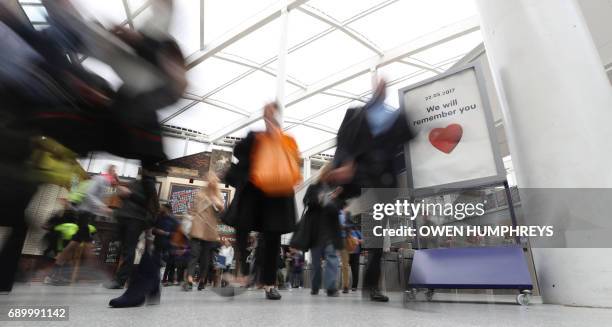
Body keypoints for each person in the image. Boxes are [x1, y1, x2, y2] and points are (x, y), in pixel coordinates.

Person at [325, 79, 415, 302]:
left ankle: (371, 286)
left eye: (385, 87)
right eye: (377, 87)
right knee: (342, 207)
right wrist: (343, 164)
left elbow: (410, 135)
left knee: (376, 234)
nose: (382, 88)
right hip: (357, 175)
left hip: (382, 181)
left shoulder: (396, 117)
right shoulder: (355, 114)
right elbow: (343, 142)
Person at [223, 102, 300, 300]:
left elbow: (294, 162)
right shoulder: (254, 136)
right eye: (266, 114)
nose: (268, 117)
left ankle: (269, 283)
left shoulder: (286, 140)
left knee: (272, 237)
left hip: (275, 194)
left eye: (272, 114)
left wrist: (276, 139)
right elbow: (238, 151)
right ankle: (244, 271)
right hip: (253, 191)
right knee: (241, 227)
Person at [45, 165, 118, 286]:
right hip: (85, 214)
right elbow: (89, 195)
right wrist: (103, 207)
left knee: (73, 244)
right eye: (116, 178)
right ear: (112, 176)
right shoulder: (101, 180)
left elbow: (93, 201)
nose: (116, 183)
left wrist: (103, 210)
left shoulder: (104, 184)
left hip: (86, 214)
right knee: (88, 244)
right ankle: (96, 274)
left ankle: (52, 275)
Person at [104, 174, 159, 289]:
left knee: (129, 249)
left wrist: (130, 194)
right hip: (124, 216)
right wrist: (121, 194)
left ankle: (120, 280)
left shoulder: (149, 183)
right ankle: (118, 277)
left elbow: (148, 202)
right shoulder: (136, 182)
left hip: (135, 219)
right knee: (120, 246)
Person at [302, 164, 344, 297]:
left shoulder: (336, 189)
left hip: (331, 230)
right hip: (316, 230)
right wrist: (320, 199)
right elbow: (306, 201)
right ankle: (315, 286)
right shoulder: (313, 187)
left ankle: (331, 287)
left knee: (332, 257)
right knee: (315, 261)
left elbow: (340, 207)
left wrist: (334, 200)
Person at [183, 172, 224, 291]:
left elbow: (221, 210)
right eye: (209, 179)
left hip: (209, 230)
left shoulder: (218, 195)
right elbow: (193, 209)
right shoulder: (200, 193)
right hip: (197, 227)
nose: (211, 182)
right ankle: (190, 279)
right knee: (194, 254)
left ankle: (202, 279)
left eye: (213, 180)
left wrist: (215, 202)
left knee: (205, 257)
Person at [347, 223, 363, 292]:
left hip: (355, 253)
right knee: (347, 270)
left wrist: (356, 241)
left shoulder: (357, 232)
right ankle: (347, 286)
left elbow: (363, 241)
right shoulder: (345, 233)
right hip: (347, 253)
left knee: (355, 270)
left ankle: (354, 286)